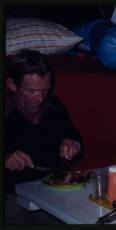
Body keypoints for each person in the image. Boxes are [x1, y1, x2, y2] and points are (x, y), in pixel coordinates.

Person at [5, 49, 82, 224]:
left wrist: (73, 143)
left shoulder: (52, 104)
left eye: (45, 90)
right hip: (14, 200)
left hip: (58, 194)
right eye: (31, 91)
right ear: (12, 84)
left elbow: (73, 135)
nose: (40, 99)